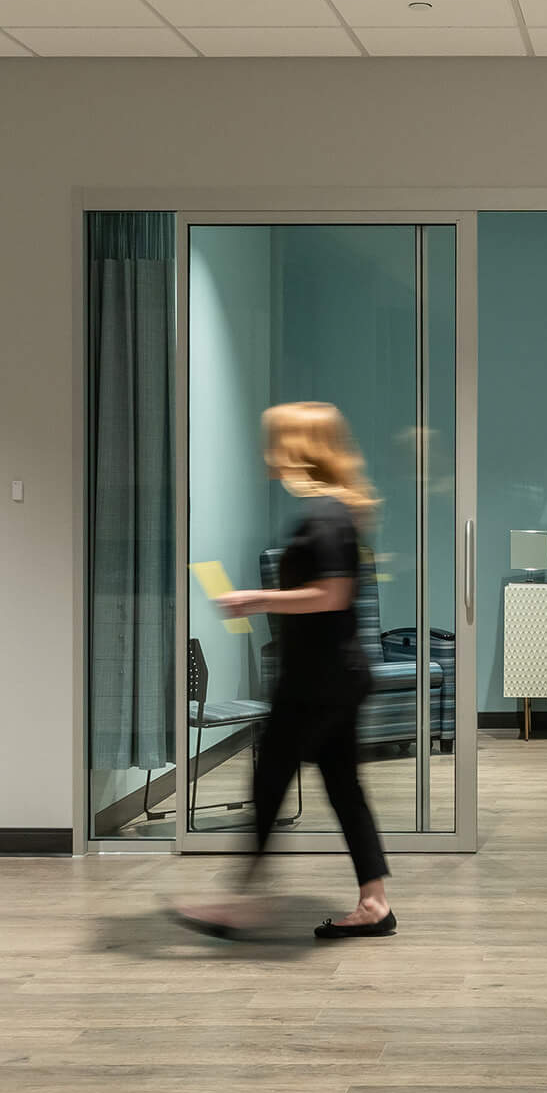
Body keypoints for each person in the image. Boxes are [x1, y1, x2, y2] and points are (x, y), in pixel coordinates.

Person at [174, 402, 395, 941]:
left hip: (316, 682)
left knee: (270, 782)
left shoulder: (325, 514)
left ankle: (238, 906)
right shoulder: (338, 508)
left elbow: (331, 594)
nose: (266, 450)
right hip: (334, 677)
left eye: (274, 439)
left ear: (297, 446)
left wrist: (255, 598)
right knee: (344, 786)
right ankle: (375, 903)